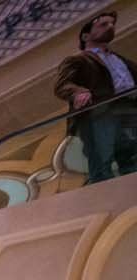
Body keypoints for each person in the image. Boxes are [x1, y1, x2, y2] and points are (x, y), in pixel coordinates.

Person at [55, 9, 137, 183]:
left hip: (130, 111)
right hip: (100, 114)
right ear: (85, 36)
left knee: (132, 158)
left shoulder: (121, 60)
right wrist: (78, 92)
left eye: (112, 24)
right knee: (101, 163)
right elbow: (62, 85)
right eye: (103, 24)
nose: (111, 27)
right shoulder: (78, 60)